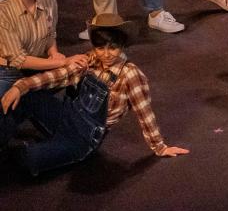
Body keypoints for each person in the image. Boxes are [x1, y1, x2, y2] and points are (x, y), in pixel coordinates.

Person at [0, 11, 188, 176]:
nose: (106, 54)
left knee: (28, 159)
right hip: (67, 116)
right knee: (25, 96)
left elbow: (145, 113)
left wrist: (160, 147)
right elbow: (60, 76)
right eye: (100, 47)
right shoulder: (90, 58)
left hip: (83, 138)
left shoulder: (131, 74)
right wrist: (21, 86)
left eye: (112, 47)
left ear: (121, 45)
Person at [0, 0, 78, 105]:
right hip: (8, 72)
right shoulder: (3, 12)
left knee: (80, 69)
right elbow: (19, 60)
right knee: (5, 106)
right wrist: (63, 62)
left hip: (38, 67)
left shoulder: (49, 1)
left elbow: (50, 36)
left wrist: (54, 53)